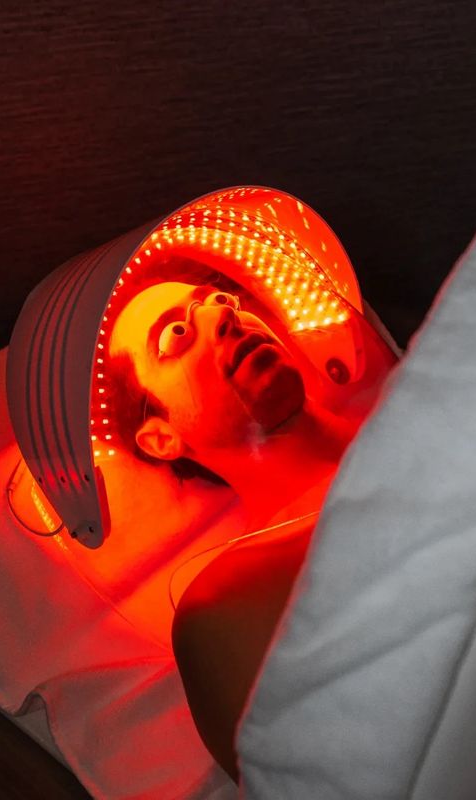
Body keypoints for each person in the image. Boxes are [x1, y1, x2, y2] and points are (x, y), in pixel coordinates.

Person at [106, 270, 374, 780]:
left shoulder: (434, 409)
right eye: (176, 335)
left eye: (223, 299)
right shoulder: (227, 609)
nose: (222, 314)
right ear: (161, 438)